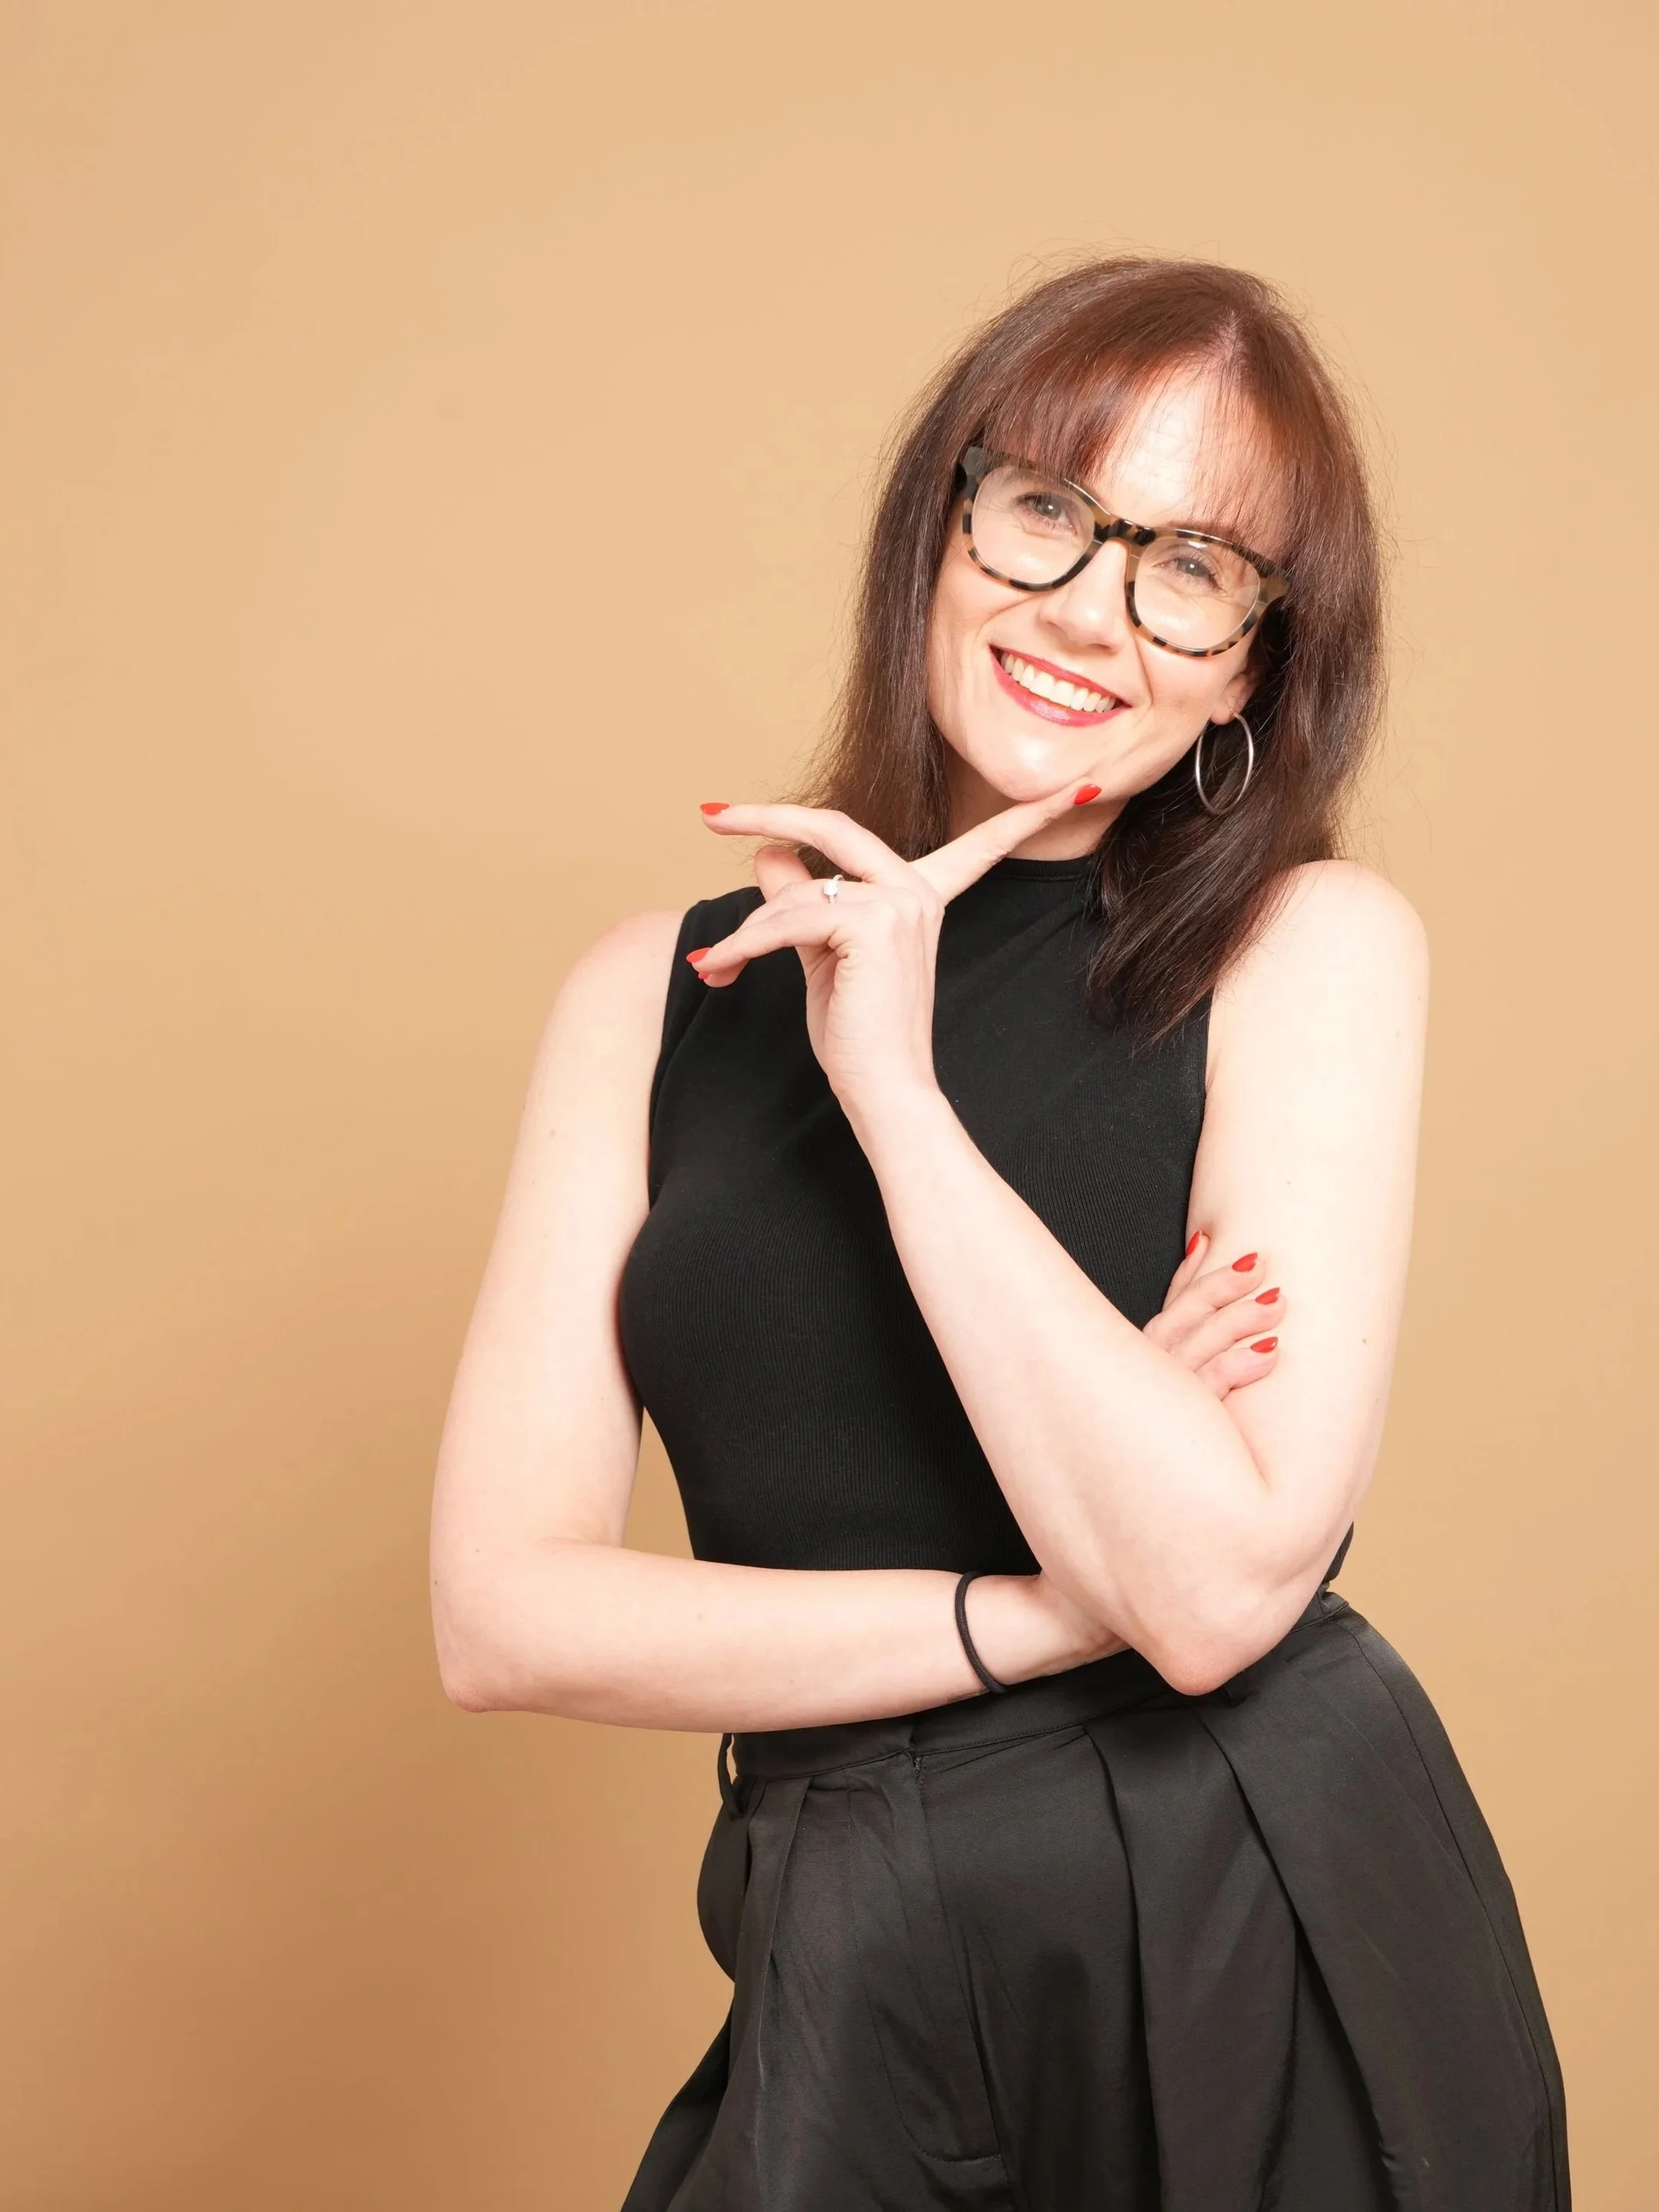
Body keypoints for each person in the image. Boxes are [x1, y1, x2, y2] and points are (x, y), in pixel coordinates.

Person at [429, 257, 1568, 2210]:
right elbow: (500, 1614)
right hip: (842, 1907)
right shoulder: (655, 990)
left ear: (1254, 662)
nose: (1087, 613)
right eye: (1046, 508)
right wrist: (1030, 1613)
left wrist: (893, 1087)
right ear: (941, 519)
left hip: (1243, 1884)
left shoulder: (1301, 950)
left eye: (1192, 565)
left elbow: (1214, 1605)